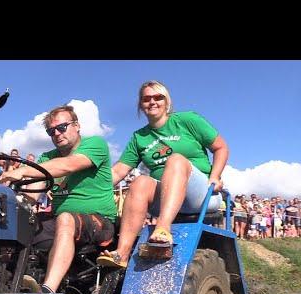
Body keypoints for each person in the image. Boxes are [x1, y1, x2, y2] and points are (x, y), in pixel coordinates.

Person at [98, 80, 228, 268]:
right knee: (140, 182)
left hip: (200, 194)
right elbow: (119, 170)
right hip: (165, 195)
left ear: (167, 102)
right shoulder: (139, 137)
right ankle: (122, 253)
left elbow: (221, 147)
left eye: (158, 97)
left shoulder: (187, 120)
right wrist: (90, 187)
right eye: (146, 99)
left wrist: (215, 175)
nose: (152, 102)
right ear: (140, 105)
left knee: (175, 160)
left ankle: (163, 228)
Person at [0, 105, 117, 294]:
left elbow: (69, 165)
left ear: (76, 126)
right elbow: (35, 186)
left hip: (100, 222)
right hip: (61, 221)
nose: (57, 134)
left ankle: (47, 293)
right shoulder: (47, 157)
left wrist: (23, 170)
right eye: (51, 131)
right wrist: (20, 205)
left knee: (65, 218)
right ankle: (2, 282)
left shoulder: (95, 144)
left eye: (62, 127)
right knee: (18, 224)